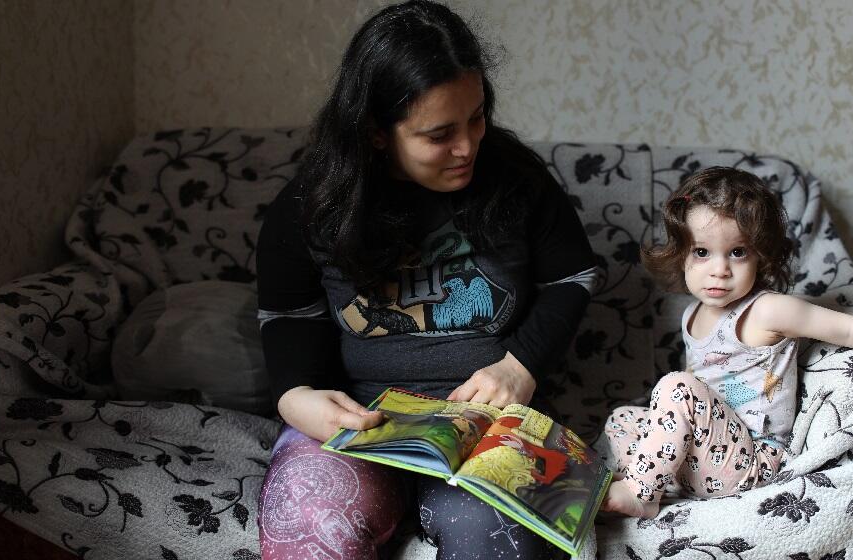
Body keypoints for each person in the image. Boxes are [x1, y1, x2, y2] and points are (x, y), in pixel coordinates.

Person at [254, 1, 598, 558]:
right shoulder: (309, 204)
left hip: (490, 423)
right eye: (439, 134)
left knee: (500, 539)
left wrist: (521, 366)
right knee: (311, 515)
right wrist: (295, 397)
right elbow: (290, 316)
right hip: (360, 424)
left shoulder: (515, 178)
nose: (468, 147)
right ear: (375, 132)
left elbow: (573, 275)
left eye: (477, 117)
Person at [600, 167, 853, 519]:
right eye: (702, 252)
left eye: (737, 252)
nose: (719, 270)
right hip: (704, 456)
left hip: (750, 462)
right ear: (680, 252)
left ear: (761, 255)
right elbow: (700, 384)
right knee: (621, 419)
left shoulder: (766, 311)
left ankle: (641, 492)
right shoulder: (692, 313)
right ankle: (648, 480)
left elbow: (848, 329)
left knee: (676, 387)